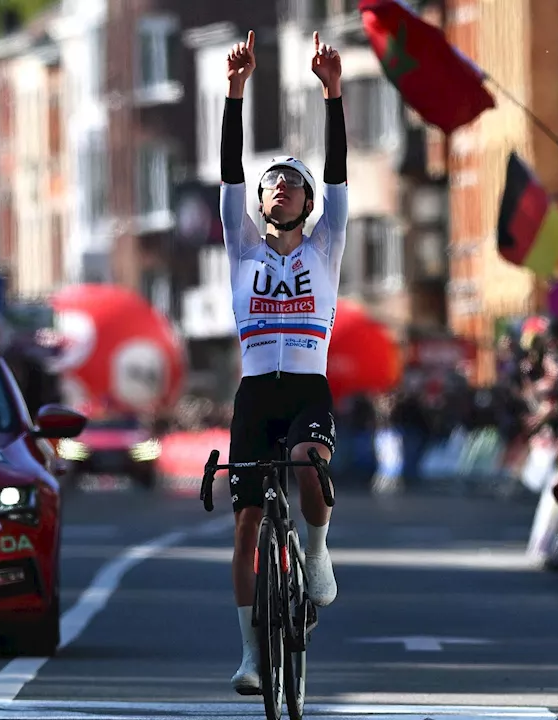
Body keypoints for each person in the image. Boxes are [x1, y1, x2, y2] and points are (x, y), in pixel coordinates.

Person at [219, 29, 347, 694]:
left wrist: (333, 94)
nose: (279, 189)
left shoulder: (325, 249)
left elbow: (340, 174)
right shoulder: (242, 249)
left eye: (293, 184)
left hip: (306, 388)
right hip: (253, 395)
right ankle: (248, 655)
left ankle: (319, 559)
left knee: (304, 466)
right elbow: (229, 172)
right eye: (271, 184)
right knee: (244, 525)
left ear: (309, 202)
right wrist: (235, 91)